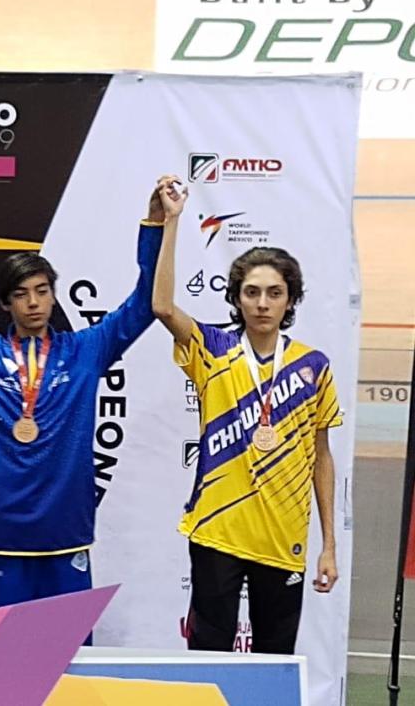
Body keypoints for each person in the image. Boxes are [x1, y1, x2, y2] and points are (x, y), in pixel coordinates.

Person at [0, 177, 175, 610]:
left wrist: (155, 225)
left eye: (42, 291)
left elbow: (144, 305)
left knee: (69, 646)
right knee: (2, 648)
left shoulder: (86, 351)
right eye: (21, 294)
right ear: (5, 304)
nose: (33, 303)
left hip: (64, 532)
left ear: (53, 297)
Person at [152, 179, 342, 655]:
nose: (262, 303)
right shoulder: (213, 349)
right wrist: (172, 222)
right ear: (236, 298)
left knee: (275, 663)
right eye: (252, 292)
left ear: (290, 300)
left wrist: (329, 545)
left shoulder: (313, 366)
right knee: (208, 660)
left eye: (274, 293)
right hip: (217, 531)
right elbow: (161, 307)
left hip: (283, 537)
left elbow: (321, 457)